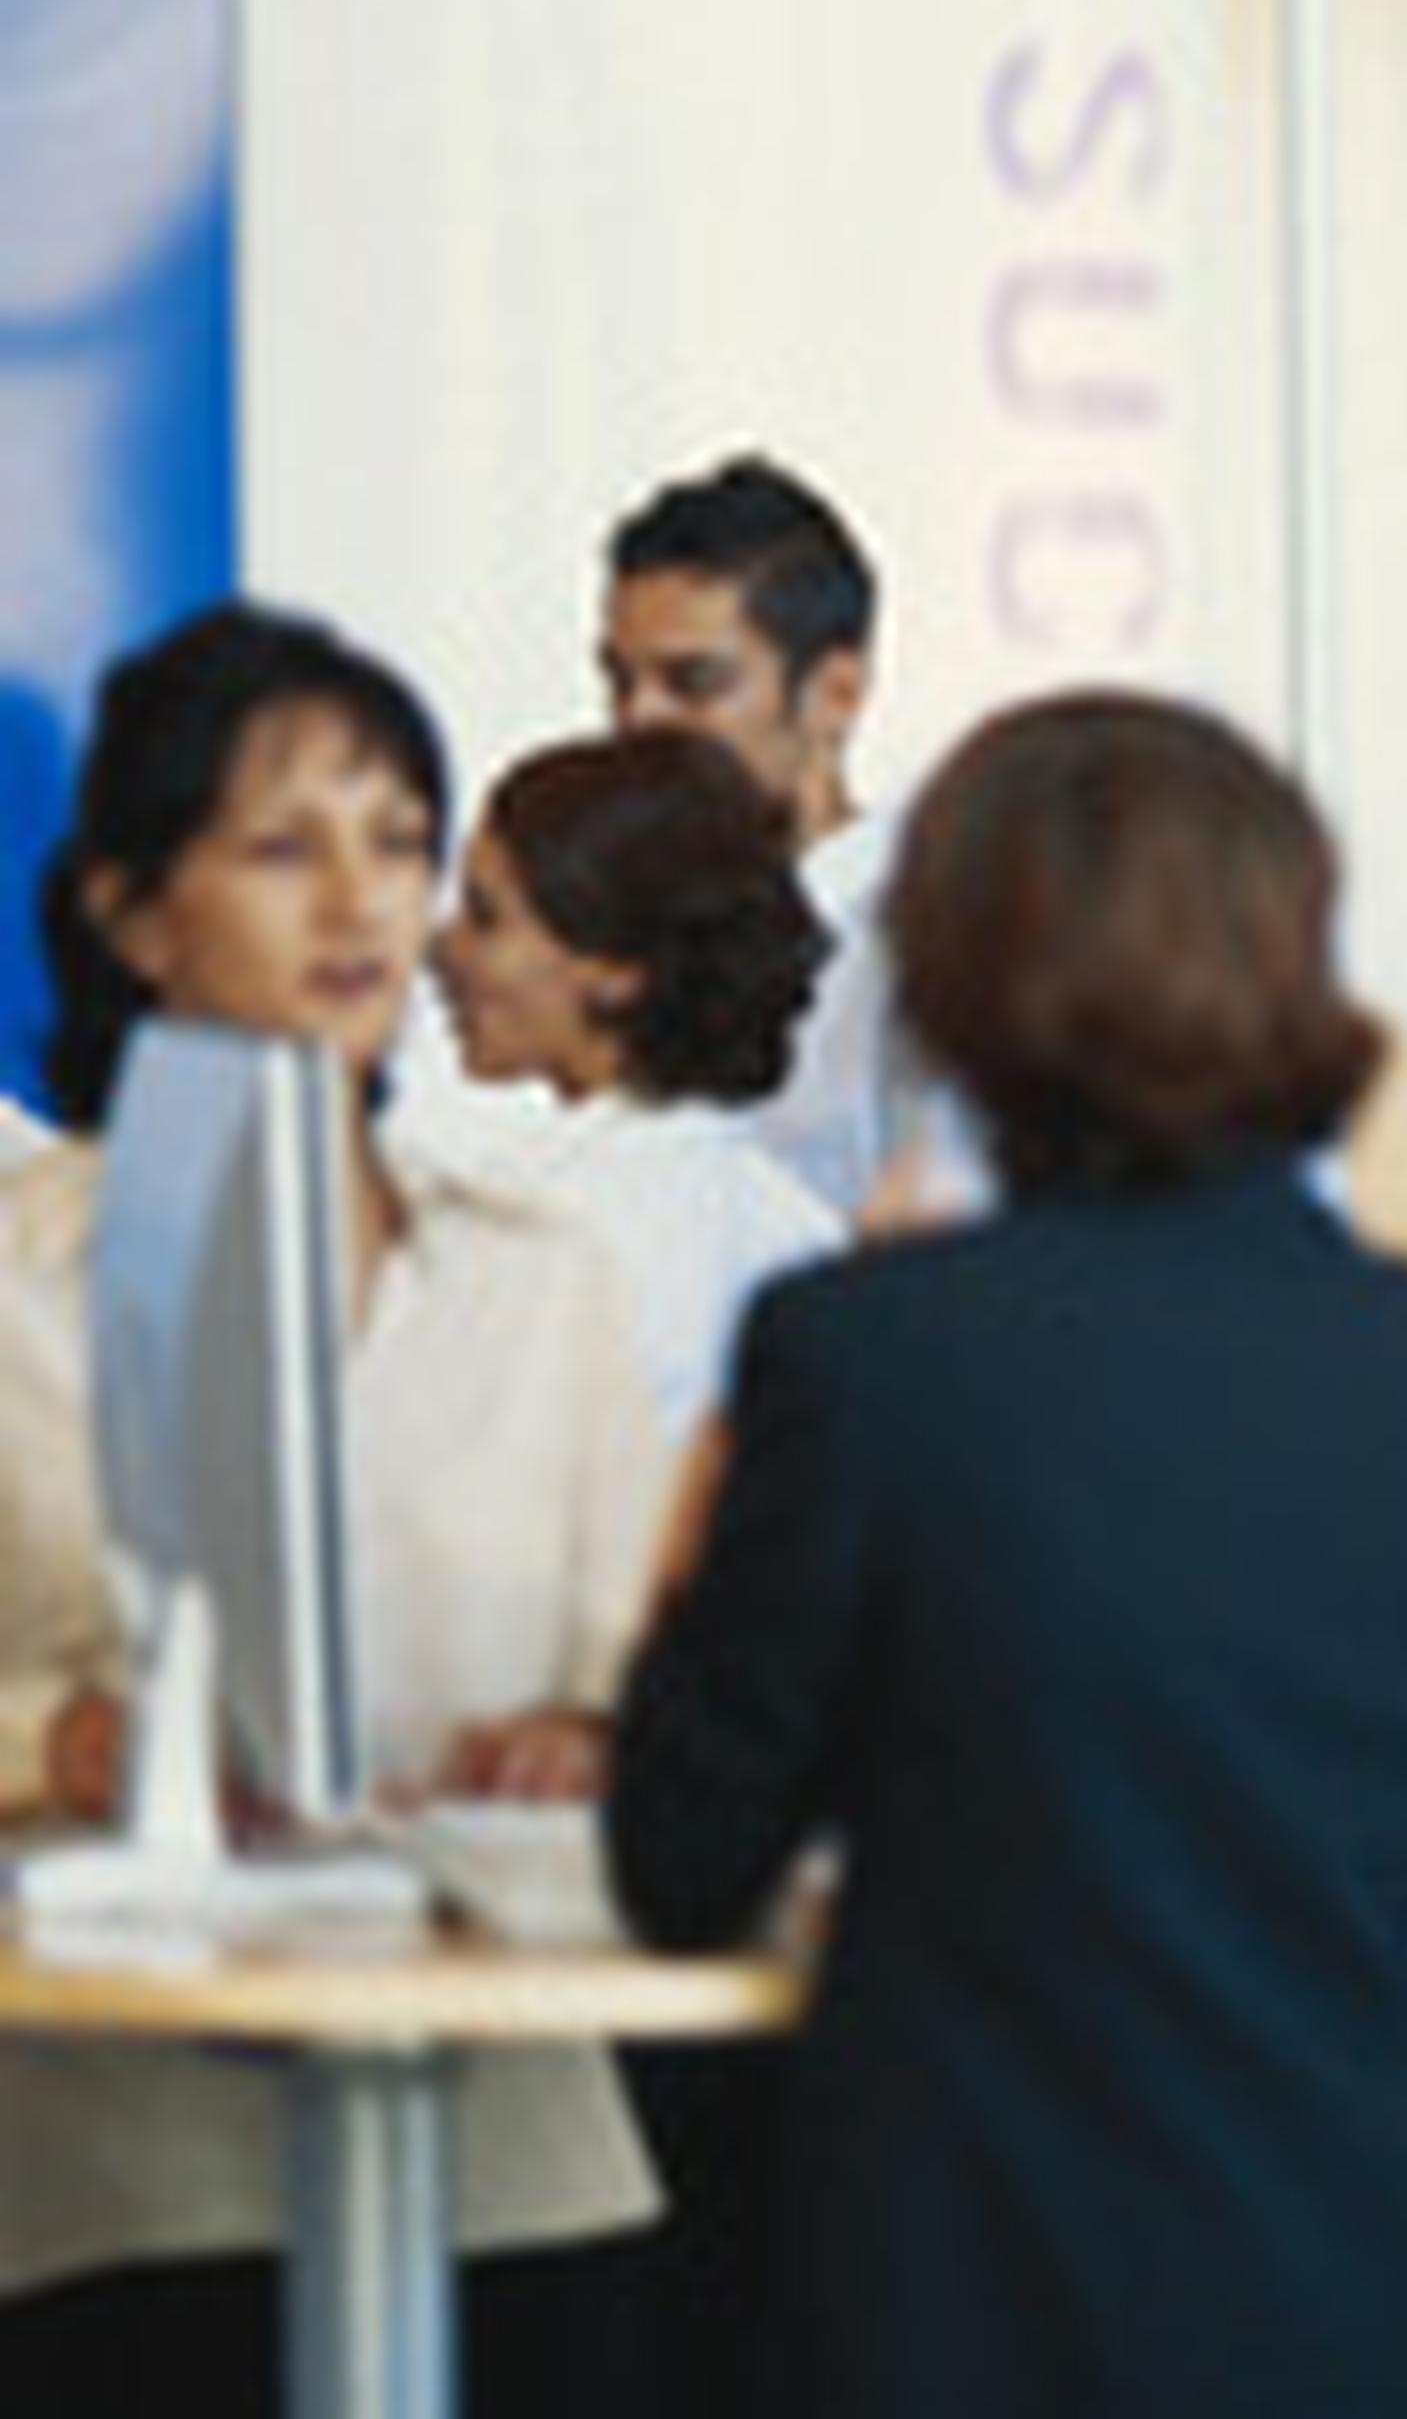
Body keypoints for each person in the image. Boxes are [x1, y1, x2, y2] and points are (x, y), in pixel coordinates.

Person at [606, 692, 1407, 2419]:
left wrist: (699, 1540)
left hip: (980, 2294)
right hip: (1397, 2294)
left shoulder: (866, 1355)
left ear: (948, 984)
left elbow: (683, 1861)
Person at [0, 601, 667, 2417]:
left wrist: (583, 1737)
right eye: (284, 848)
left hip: (515, 2158)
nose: (362, 906)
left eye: (398, 846)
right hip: (122, 2177)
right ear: (134, 912)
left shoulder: (545, 1281)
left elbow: (645, 1683)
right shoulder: (16, 1283)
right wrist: (56, 1742)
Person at [433, 727, 842, 1451]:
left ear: (618, 968)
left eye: (485, 917)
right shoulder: (809, 1238)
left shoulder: (517, 1222)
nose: (439, 949)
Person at [597, 453, 906, 1216]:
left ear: (836, 694)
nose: (638, 720)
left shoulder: (926, 947)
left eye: (693, 684)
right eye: (619, 681)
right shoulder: (626, 940)